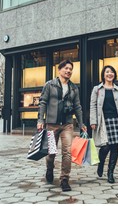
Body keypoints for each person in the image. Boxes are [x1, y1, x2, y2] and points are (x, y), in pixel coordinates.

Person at [37, 59, 87, 192]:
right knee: (51, 151)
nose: (68, 71)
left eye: (71, 69)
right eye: (66, 68)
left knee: (67, 152)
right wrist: (40, 120)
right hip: (51, 124)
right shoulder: (50, 85)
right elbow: (43, 102)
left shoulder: (74, 87)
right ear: (59, 70)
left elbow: (77, 106)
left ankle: (64, 179)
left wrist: (81, 123)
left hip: (67, 124)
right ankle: (49, 168)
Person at [89, 65, 118, 183]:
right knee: (105, 146)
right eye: (107, 72)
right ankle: (101, 163)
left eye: (112, 72)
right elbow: (93, 106)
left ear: (114, 75)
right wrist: (93, 121)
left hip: (116, 121)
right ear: (103, 74)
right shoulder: (97, 89)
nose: (110, 74)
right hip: (103, 121)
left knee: (115, 148)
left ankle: (110, 173)